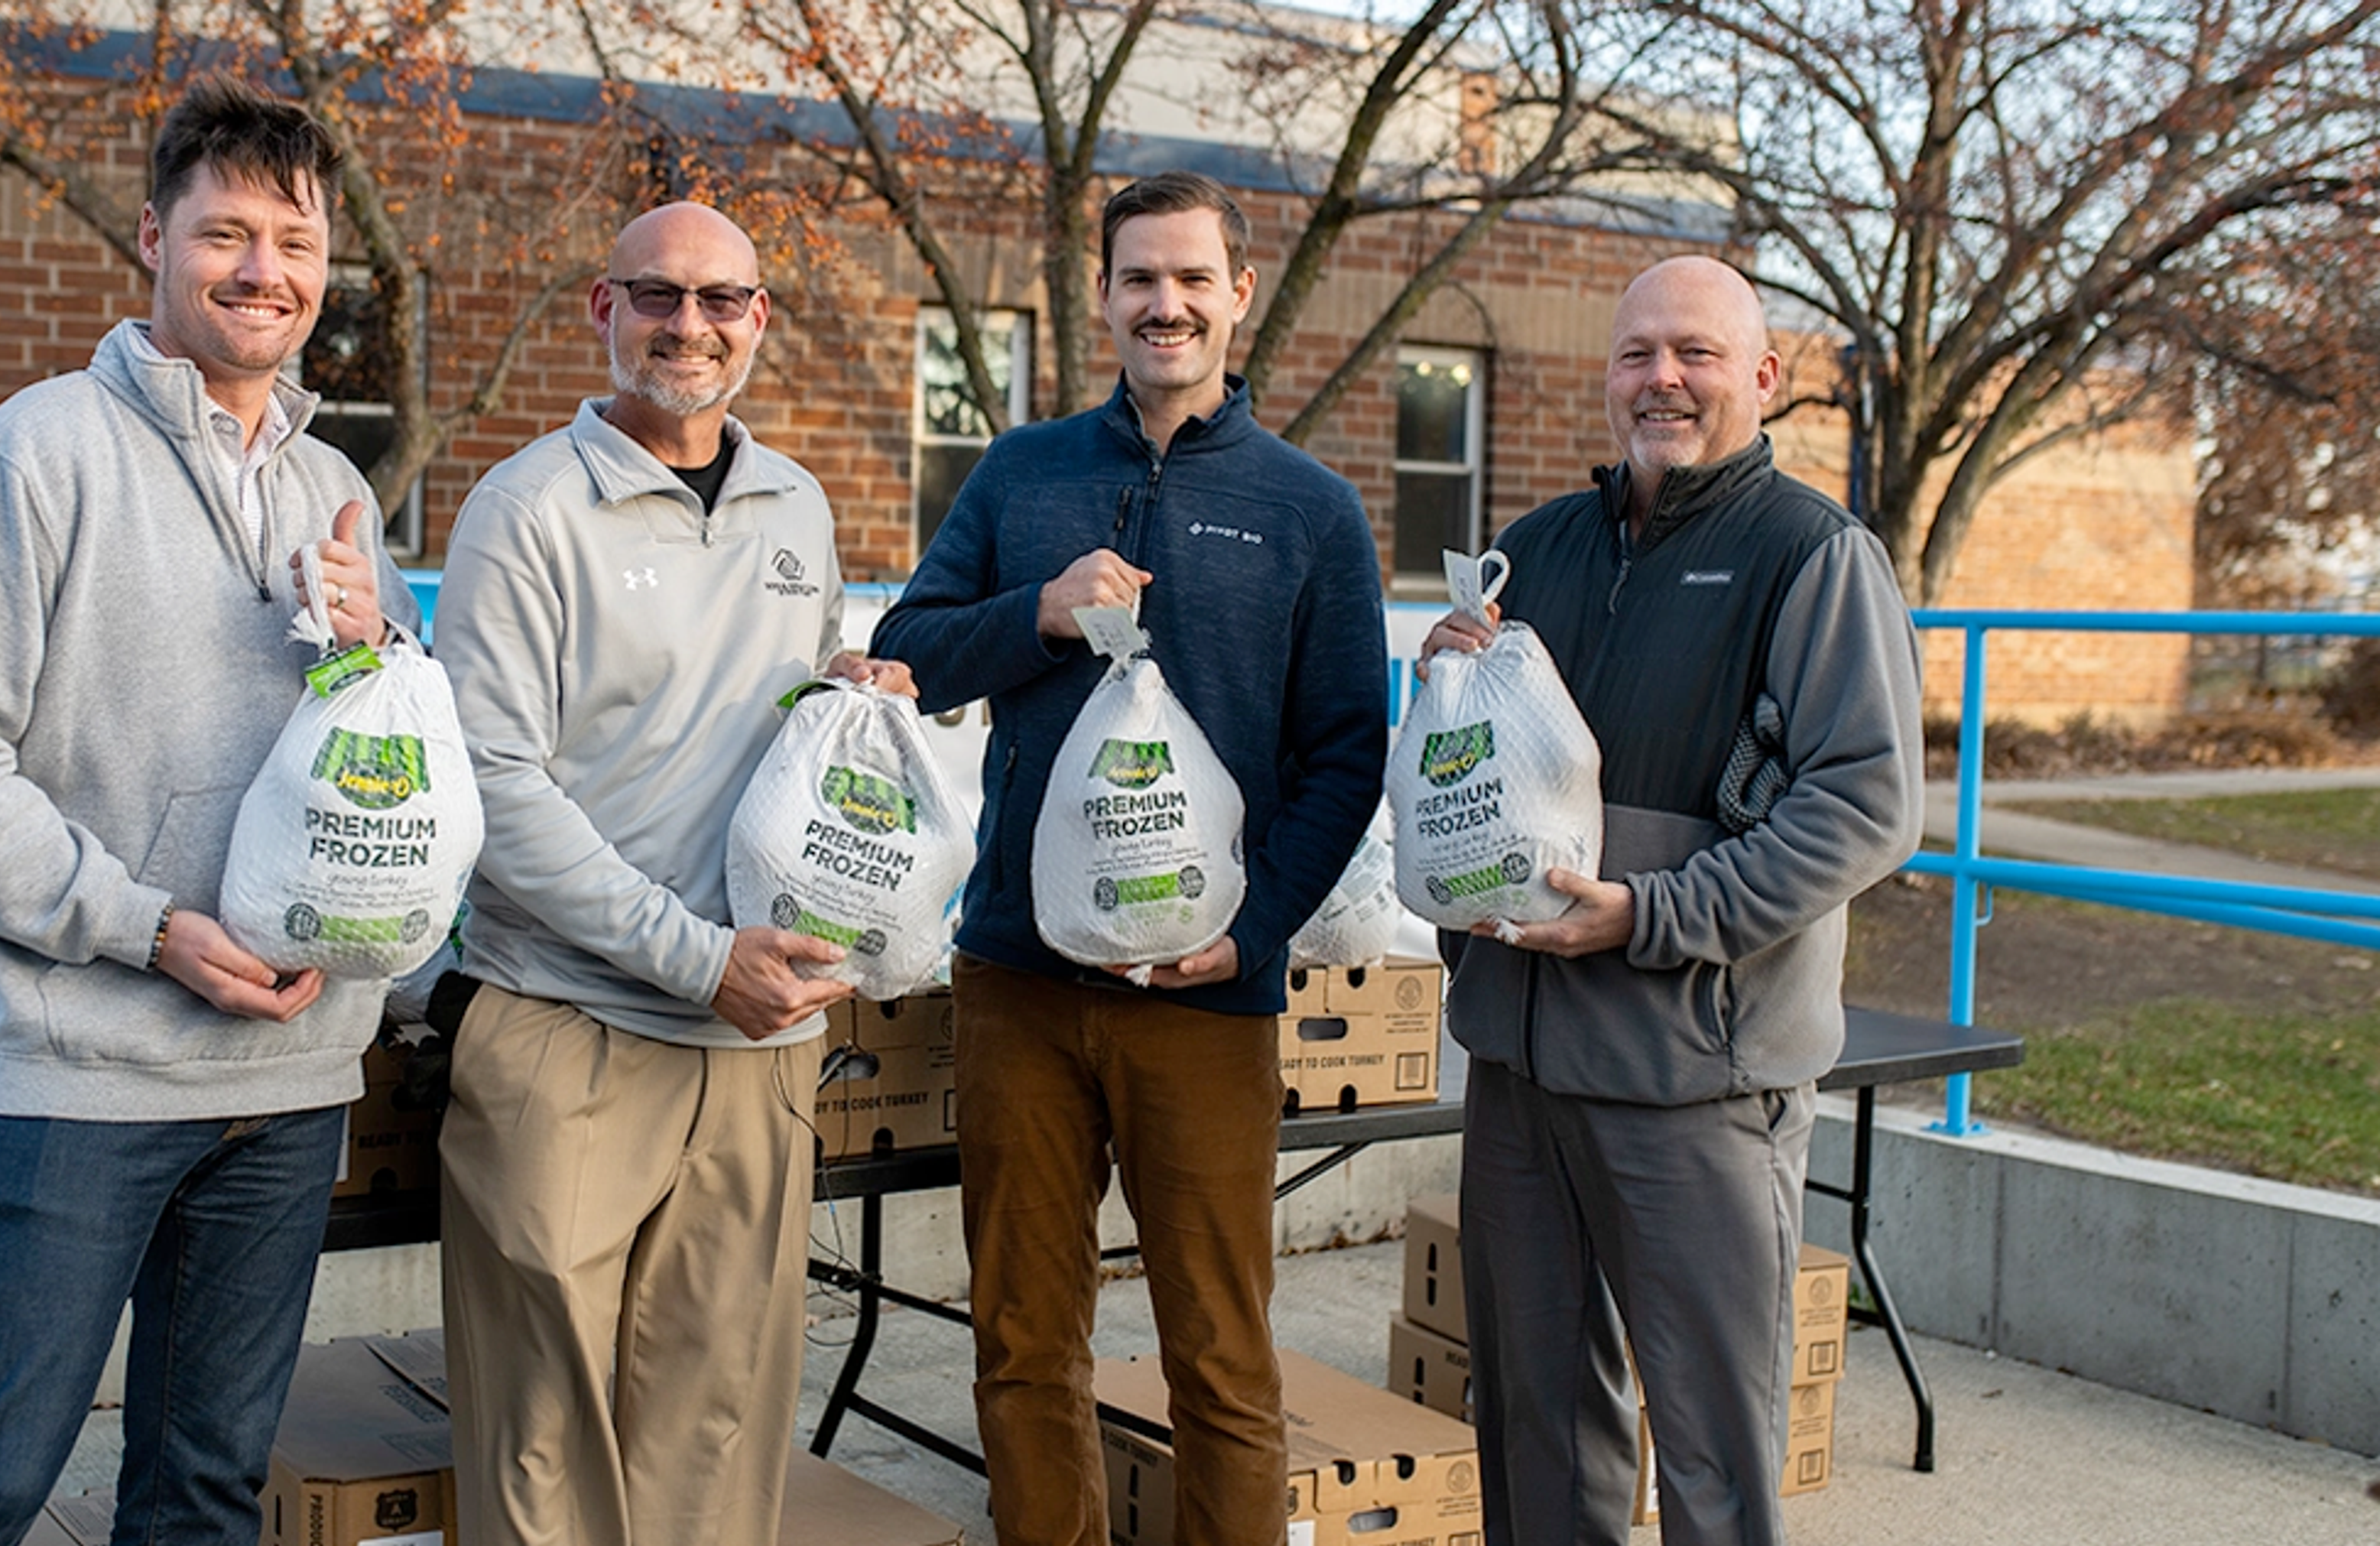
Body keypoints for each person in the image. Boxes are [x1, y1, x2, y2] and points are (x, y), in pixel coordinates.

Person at [0, 78, 418, 1546]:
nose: (263, 272)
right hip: (83, 1079)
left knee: (206, 1497)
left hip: (289, 1079)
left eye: (294, 242)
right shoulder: (30, 458)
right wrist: (144, 925)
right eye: (226, 233)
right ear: (153, 239)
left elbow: (398, 768)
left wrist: (383, 651)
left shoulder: (338, 486)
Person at [866, 171, 1388, 1546]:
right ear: (1099, 295)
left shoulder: (1310, 510)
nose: (1166, 303)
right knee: (1025, 1339)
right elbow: (907, 655)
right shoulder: (1023, 472)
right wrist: (1035, 613)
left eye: (1192, 278)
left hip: (1205, 996)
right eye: (1138, 278)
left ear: (1238, 295)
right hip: (1019, 987)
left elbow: (1347, 753)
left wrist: (1255, 930)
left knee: (1222, 1357)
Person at [1417, 254, 1925, 1546]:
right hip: (1523, 1067)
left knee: (1712, 1455)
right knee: (1534, 1433)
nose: (1665, 379)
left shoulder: (1812, 556)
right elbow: (1472, 774)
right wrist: (1444, 686)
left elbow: (1865, 804)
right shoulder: (1532, 552)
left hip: (1695, 1074)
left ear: (1762, 377)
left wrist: (1652, 912)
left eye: (1697, 354)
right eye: (1639, 353)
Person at [429, 200, 913, 1546]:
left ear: (759, 319)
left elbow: (774, 737)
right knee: (542, 1440)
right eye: (657, 296)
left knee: (716, 1428)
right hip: (569, 1028)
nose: (686, 327)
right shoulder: (525, 511)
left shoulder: (795, 506)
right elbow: (494, 787)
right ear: (603, 308)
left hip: (757, 1047)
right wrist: (701, 956)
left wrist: (845, 692)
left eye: (719, 301)